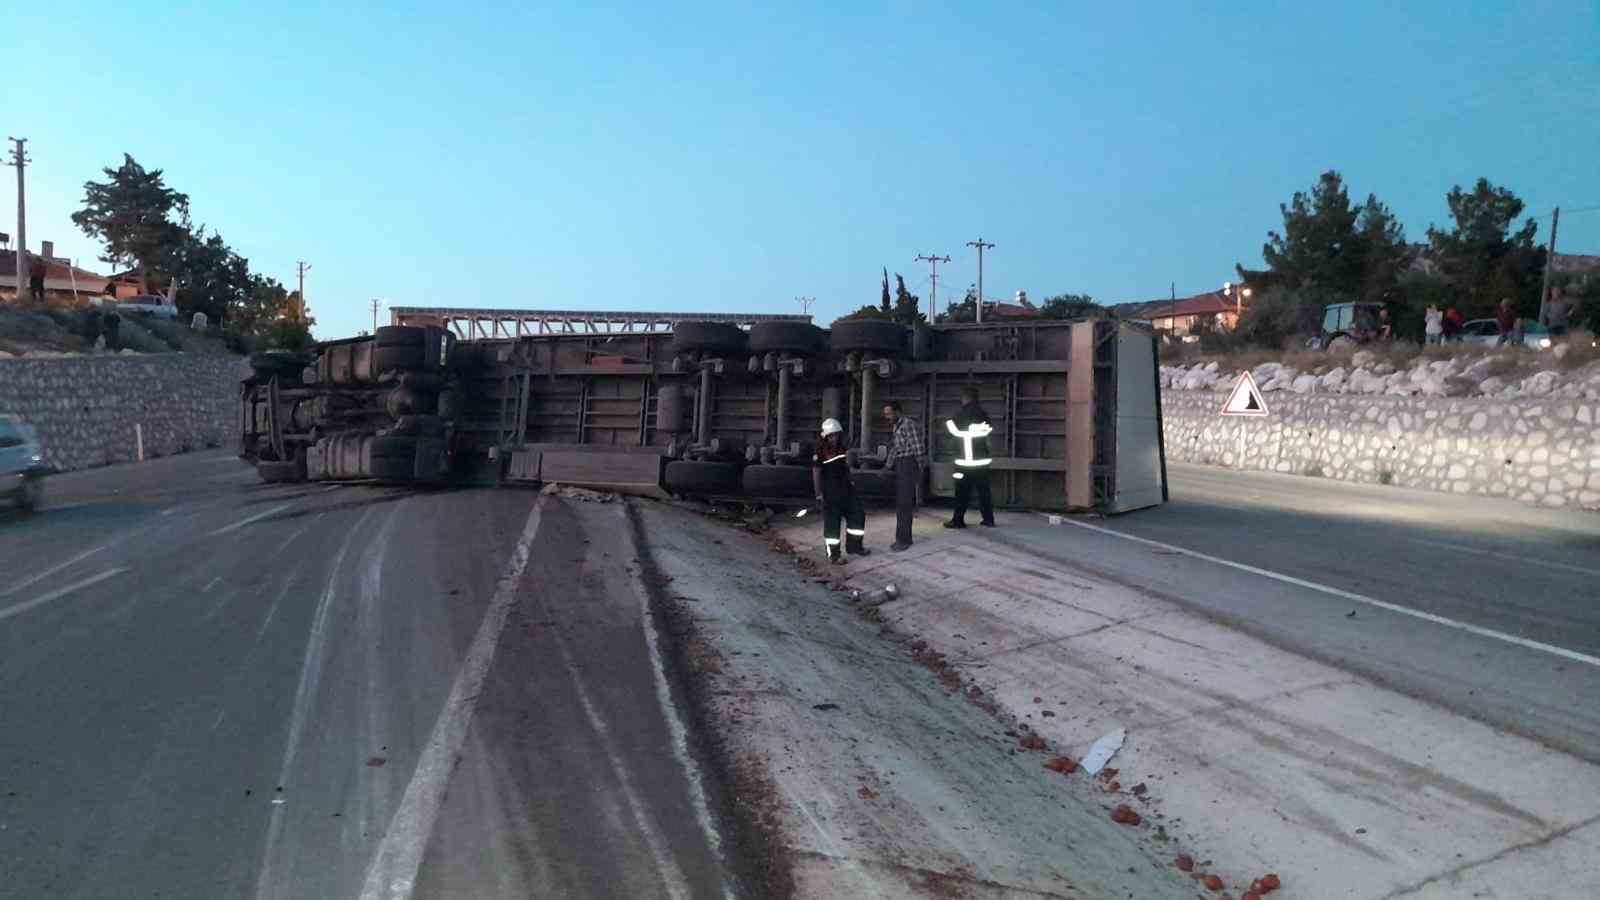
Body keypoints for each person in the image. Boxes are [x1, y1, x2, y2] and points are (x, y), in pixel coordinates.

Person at [812, 418, 869, 564]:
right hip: (830, 492)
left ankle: (855, 546)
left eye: (836, 435)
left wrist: (851, 482)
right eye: (831, 436)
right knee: (832, 524)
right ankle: (834, 555)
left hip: (846, 488)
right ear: (825, 436)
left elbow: (845, 467)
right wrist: (818, 494)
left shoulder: (842, 448)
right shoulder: (820, 452)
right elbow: (816, 473)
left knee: (858, 514)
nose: (834, 438)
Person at [943, 385, 995, 529]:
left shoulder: (959, 414)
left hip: (963, 462)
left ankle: (958, 520)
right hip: (981, 462)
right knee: (984, 491)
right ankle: (988, 519)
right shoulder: (983, 414)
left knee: (961, 492)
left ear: (965, 398)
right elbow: (989, 431)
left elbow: (949, 432)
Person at [883, 400, 924, 551]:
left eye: (889, 413)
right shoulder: (896, 426)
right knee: (901, 503)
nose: (887, 417)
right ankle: (902, 537)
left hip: (908, 463)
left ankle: (904, 539)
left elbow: (918, 448)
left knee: (904, 503)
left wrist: (919, 468)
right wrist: (887, 466)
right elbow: (895, 448)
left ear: (897, 411)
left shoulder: (908, 424)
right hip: (901, 463)